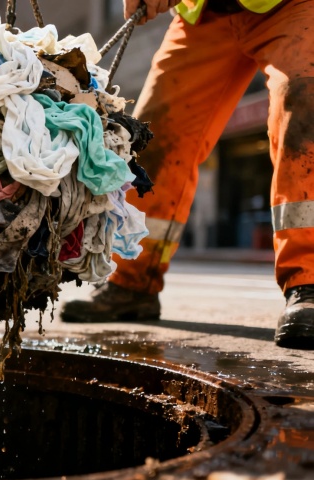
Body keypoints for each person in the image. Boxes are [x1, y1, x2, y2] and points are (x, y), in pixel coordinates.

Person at [60, 0, 314, 349]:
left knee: (303, 103)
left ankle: (308, 282)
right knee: (153, 136)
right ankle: (132, 282)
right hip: (203, 14)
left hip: (290, 6)